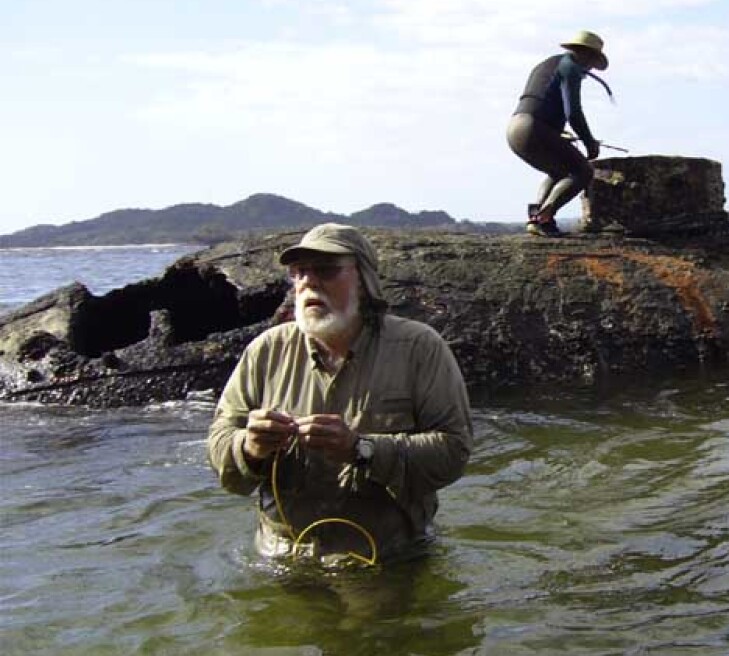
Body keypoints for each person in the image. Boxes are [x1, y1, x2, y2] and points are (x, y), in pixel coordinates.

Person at [207, 223, 473, 565]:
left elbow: (454, 452)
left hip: (385, 559)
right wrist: (250, 447)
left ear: (364, 281)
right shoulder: (266, 350)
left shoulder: (420, 348)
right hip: (281, 557)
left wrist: (361, 449)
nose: (309, 282)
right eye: (299, 272)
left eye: (326, 271)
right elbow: (220, 449)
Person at [507, 30, 612, 237]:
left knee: (559, 173)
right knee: (582, 172)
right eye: (591, 63)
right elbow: (573, 111)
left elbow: (540, 100)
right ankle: (545, 216)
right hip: (534, 128)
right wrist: (589, 142)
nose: (589, 69)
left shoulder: (547, 64)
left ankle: (536, 220)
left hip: (516, 127)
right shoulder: (571, 67)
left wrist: (556, 131)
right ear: (587, 55)